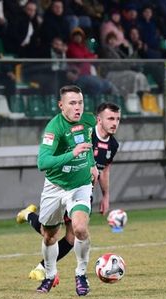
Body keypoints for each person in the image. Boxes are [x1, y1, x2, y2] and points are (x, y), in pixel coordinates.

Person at [17, 101, 121, 287]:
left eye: (117, 119)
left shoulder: (113, 144)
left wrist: (105, 196)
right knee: (49, 232)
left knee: (73, 236)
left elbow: (104, 170)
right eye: (110, 119)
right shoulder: (83, 130)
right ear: (98, 120)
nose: (114, 123)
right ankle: (29, 216)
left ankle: (44, 268)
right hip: (63, 186)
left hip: (82, 190)